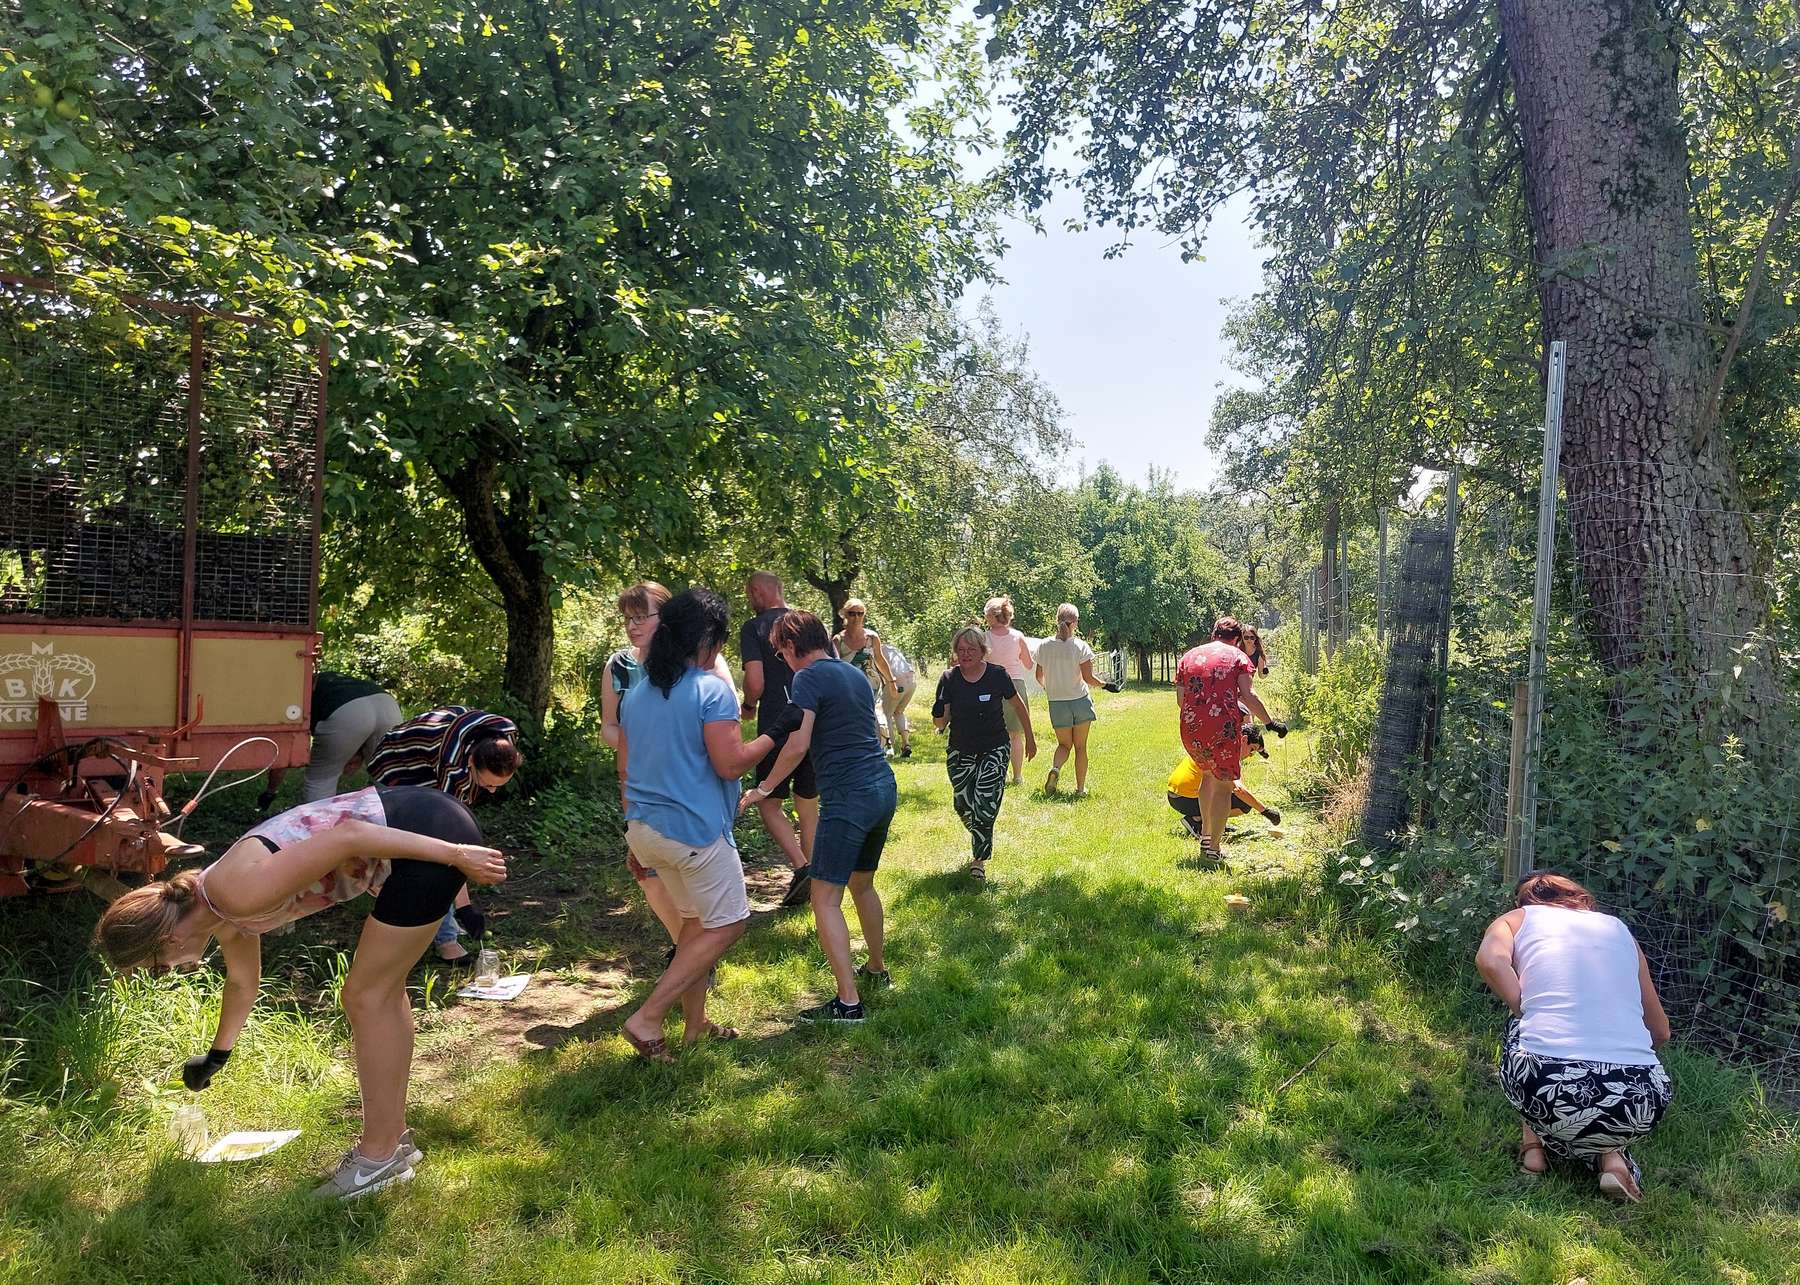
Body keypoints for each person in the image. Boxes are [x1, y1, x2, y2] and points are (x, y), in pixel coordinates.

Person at [92, 786, 509, 1199]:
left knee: (366, 996)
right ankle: (393, 1144)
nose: (168, 972)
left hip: (424, 832)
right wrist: (217, 1055)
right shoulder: (217, 906)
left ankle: (376, 1158)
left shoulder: (235, 893)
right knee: (380, 993)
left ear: (166, 939)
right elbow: (242, 982)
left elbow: (350, 835)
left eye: (158, 967)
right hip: (420, 826)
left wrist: (456, 854)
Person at [617, 588, 773, 1063]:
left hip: (647, 829)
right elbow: (730, 765)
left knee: (694, 924)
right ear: (708, 640)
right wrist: (775, 735)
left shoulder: (639, 692)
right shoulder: (711, 690)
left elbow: (626, 769)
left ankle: (695, 1025)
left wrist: (633, 835)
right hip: (694, 833)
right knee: (730, 924)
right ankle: (647, 1019)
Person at [1476, 872, 1674, 1202]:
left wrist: (1523, 1009)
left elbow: (1490, 960)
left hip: (1546, 1083)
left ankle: (1533, 1148)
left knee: (1523, 1031)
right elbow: (1661, 1031)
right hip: (1643, 1099)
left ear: (1522, 901)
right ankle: (1611, 1157)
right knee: (1606, 1083)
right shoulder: (1619, 930)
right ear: (1580, 899)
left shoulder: (1517, 918)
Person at [742, 610, 895, 1023]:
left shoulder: (806, 677)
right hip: (882, 787)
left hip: (848, 797)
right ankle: (877, 969)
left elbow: (796, 745)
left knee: (824, 896)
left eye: (780, 653)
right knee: (863, 884)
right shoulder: (853, 675)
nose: (782, 661)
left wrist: (764, 788)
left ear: (792, 647)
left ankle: (848, 1003)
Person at [602, 580, 736, 950]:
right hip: (644, 792)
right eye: (627, 618)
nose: (633, 625)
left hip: (693, 795)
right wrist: (648, 741)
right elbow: (610, 729)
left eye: (642, 615)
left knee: (700, 896)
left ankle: (690, 961)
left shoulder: (705, 660)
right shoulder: (619, 665)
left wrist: (658, 738)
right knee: (651, 878)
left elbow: (725, 722)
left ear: (669, 618)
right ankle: (685, 955)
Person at [365, 706, 522, 963]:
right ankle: (443, 940)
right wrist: (465, 907)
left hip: (434, 755)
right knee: (427, 853)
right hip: (396, 766)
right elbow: (452, 847)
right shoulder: (453, 767)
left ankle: (434, 924)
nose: (492, 792)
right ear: (471, 762)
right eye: (488, 784)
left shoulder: (505, 734)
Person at [1175, 617, 1284, 863]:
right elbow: (1249, 695)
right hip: (1223, 730)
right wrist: (1269, 722)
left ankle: (1205, 835)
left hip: (1191, 730)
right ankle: (1213, 848)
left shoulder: (1189, 656)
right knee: (1224, 786)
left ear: (1214, 634)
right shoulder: (1238, 658)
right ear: (1236, 639)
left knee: (1206, 776)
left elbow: (1181, 701)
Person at [933, 626, 1035, 883]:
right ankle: (980, 829)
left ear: (982, 652)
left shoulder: (997, 675)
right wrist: (939, 713)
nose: (965, 654)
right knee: (963, 804)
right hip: (960, 752)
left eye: (971, 649)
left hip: (995, 748)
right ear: (955, 652)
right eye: (961, 650)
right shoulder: (949, 678)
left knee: (985, 803)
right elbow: (940, 722)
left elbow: (1018, 707)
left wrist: (1030, 739)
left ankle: (978, 861)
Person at [740, 571, 817, 907]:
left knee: (769, 802)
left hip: (777, 723)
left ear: (758, 592)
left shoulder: (754, 628)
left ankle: (802, 868)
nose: (748, 600)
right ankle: (815, 873)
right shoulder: (809, 623)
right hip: (813, 720)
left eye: (748, 594)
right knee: (808, 803)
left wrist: (748, 705)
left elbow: (755, 681)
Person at [256, 671, 404, 809]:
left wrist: (271, 791)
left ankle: (319, 830)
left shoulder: (293, 697)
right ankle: (399, 824)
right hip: (387, 704)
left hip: (345, 710)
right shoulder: (328, 681)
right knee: (386, 776)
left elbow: (283, 755)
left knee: (321, 780)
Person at [1033, 603, 1106, 795]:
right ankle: (1080, 789)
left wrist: (1049, 688)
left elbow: (1038, 676)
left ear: (1057, 621)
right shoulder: (1080, 646)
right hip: (1080, 701)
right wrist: (1105, 685)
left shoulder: (1044, 646)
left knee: (1064, 745)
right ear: (1075, 623)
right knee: (1081, 747)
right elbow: (1089, 678)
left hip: (1057, 704)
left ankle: (1055, 769)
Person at [1166, 730, 1281, 842]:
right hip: (1186, 799)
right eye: (1252, 750)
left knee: (1229, 794)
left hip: (1174, 795)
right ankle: (1197, 820)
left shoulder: (1219, 744)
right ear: (1244, 739)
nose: (1250, 755)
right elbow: (1239, 790)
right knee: (1244, 804)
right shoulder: (1226, 755)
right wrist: (1266, 811)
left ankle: (1216, 824)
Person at [831, 598, 902, 752]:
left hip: (872, 685)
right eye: (852, 613)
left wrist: (891, 682)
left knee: (876, 716)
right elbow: (835, 667)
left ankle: (880, 750)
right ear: (845, 615)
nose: (856, 618)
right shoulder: (838, 640)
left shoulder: (872, 637)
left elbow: (881, 661)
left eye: (860, 614)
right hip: (848, 688)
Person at [982, 595, 1037, 785]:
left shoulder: (985, 637)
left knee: (993, 733)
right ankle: (1018, 776)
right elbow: (1029, 664)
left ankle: (998, 773)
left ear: (992, 616)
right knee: (1016, 735)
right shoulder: (1018, 636)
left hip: (991, 686)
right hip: (1015, 686)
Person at [874, 639, 918, 757]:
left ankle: (889, 747)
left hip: (897, 680)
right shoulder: (893, 649)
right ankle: (905, 744)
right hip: (912, 679)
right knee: (899, 712)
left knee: (885, 713)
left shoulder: (877, 650)